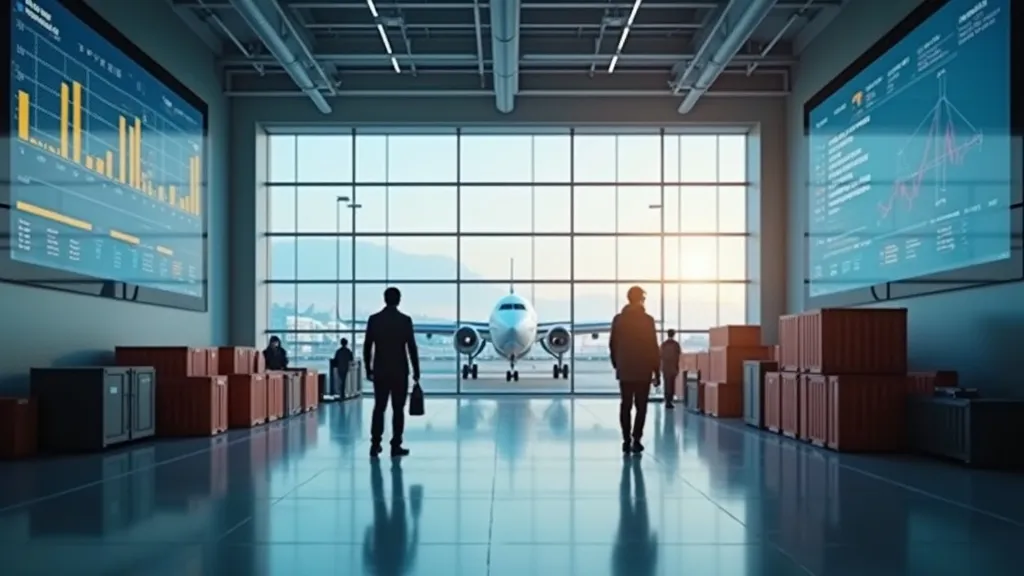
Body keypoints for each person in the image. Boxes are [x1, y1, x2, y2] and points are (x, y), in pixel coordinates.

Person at [363, 287, 421, 458]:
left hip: (380, 371)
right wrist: (416, 371)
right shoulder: (405, 321)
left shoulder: (374, 320)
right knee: (398, 410)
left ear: (385, 299)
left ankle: (375, 444)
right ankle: (396, 444)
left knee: (379, 408)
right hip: (399, 372)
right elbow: (412, 348)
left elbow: (367, 347)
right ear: (399, 300)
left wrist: (369, 368)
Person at [609, 286, 661, 454]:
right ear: (641, 299)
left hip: (625, 369)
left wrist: (618, 364)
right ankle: (636, 439)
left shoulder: (619, 319)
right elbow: (653, 347)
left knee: (625, 405)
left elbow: (612, 344)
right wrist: (656, 371)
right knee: (641, 406)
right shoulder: (648, 320)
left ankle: (626, 440)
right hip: (643, 369)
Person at [364, 459, 421, 575]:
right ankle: (378, 466)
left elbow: (411, 553)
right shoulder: (379, 571)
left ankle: (394, 465)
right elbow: (367, 558)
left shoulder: (398, 570)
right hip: (384, 539)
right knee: (380, 499)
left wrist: (415, 526)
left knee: (396, 497)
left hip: (396, 537)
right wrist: (367, 537)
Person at [611, 457, 657, 576]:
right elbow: (616, 560)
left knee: (634, 503)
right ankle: (632, 471)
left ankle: (629, 469)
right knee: (629, 504)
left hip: (638, 542)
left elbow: (616, 560)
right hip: (636, 542)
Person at [660, 329, 682, 409]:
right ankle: (670, 400)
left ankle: (667, 400)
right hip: (673, 367)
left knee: (666, 384)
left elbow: (660, 356)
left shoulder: (664, 344)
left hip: (665, 367)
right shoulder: (676, 345)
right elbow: (678, 356)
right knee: (672, 384)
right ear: (674, 334)